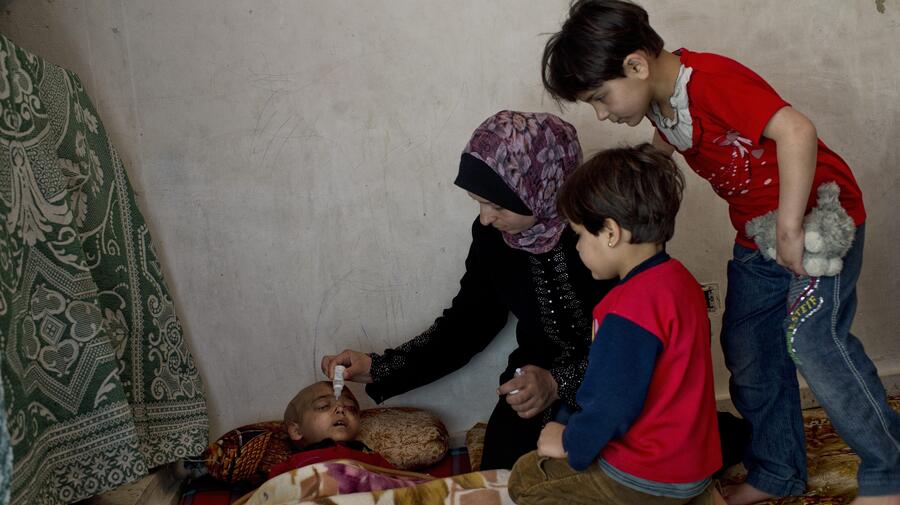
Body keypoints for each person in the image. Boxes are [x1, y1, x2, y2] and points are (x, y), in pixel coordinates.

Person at [540, 2, 900, 505]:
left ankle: (889, 472)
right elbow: (656, 158)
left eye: (601, 98)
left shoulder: (709, 81)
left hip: (817, 225)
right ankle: (777, 470)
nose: (603, 114)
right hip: (756, 237)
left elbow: (797, 131)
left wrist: (790, 227)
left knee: (813, 341)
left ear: (636, 65)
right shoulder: (661, 106)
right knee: (749, 349)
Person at [321, 110, 615, 470]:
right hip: (529, 389)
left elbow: (641, 342)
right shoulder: (493, 237)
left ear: (542, 187)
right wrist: (378, 367)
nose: (486, 218)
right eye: (479, 203)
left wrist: (558, 383)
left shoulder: (606, 233)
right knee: (505, 474)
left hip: (618, 382)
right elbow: (467, 325)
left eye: (497, 205)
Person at [508, 144, 724, 505]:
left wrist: (569, 442)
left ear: (610, 232)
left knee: (527, 478)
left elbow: (612, 402)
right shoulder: (682, 281)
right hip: (696, 465)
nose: (578, 247)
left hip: (648, 474)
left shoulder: (626, 309)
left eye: (580, 235)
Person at [271, 380, 394, 478]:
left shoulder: (374, 460)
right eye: (323, 406)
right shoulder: (290, 467)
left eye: (350, 407)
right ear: (297, 431)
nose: (340, 409)